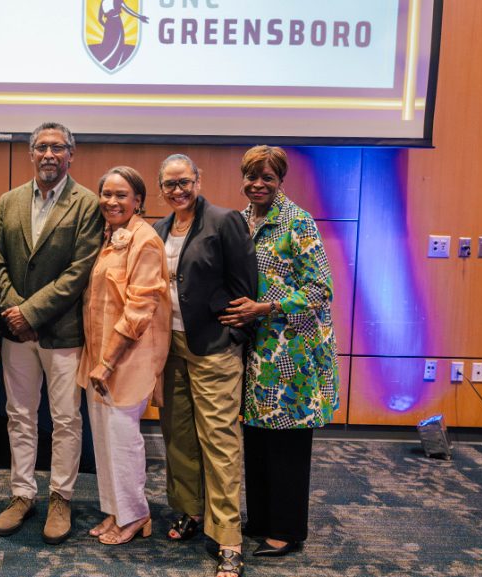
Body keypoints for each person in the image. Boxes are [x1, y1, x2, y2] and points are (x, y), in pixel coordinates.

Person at [220, 145, 340, 558]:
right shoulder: (239, 222)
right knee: (255, 436)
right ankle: (262, 519)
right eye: (251, 177)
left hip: (293, 352)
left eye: (267, 178)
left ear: (281, 181)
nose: (258, 184)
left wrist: (267, 307)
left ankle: (287, 530)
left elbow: (320, 290)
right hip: (256, 351)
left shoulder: (298, 222)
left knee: (286, 442)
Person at [0, 122, 103, 545]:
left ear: (71, 154)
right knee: (19, 415)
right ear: (30, 153)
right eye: (42, 147)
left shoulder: (87, 203)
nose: (49, 154)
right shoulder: (8, 201)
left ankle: (61, 496)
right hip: (16, 330)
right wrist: (15, 310)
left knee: (65, 419)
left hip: (62, 331)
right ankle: (22, 493)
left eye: (58, 147)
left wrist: (31, 312)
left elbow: (80, 271)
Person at [152, 155, 257, 577]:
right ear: (160, 189)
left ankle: (228, 535)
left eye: (184, 182)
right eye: (170, 185)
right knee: (177, 436)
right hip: (169, 347)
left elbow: (245, 285)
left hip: (212, 347)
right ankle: (190, 512)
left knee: (218, 440)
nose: (178, 191)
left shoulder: (223, 220)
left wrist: (233, 334)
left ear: (199, 180)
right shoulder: (158, 229)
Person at [79, 166, 170, 546]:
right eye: (107, 194)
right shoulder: (109, 237)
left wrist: (109, 361)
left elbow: (139, 310)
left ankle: (136, 514)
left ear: (138, 201)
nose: (112, 201)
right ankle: (115, 509)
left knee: (123, 439)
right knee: (103, 439)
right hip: (99, 353)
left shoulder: (144, 240)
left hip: (125, 359)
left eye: (121, 195)